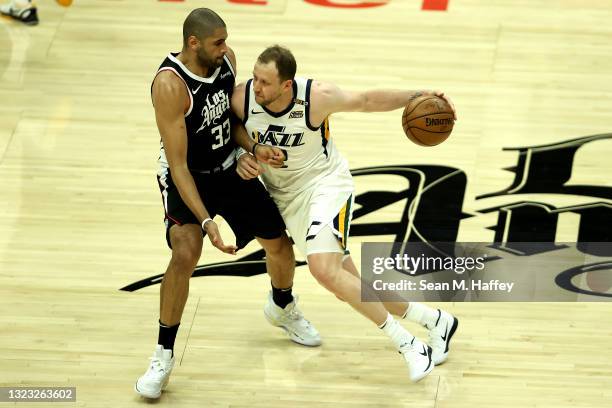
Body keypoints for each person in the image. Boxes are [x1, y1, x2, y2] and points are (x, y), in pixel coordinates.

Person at [232, 45, 459, 382]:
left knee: (323, 270)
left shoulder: (317, 97)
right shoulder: (243, 97)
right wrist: (245, 151)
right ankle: (434, 320)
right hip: (285, 196)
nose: (257, 87)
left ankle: (408, 344)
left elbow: (366, 100)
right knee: (346, 283)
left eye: (265, 82)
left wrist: (420, 94)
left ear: (287, 85)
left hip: (326, 186)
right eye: (255, 78)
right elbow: (232, 129)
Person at [135, 11, 320, 399]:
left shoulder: (225, 62)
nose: (226, 47)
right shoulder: (170, 86)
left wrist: (253, 148)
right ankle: (162, 354)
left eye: (225, 40)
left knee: (280, 246)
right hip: (187, 177)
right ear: (193, 43)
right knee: (185, 253)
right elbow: (180, 166)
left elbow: (228, 120)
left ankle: (282, 305)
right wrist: (206, 222)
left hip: (227, 166)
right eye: (218, 42)